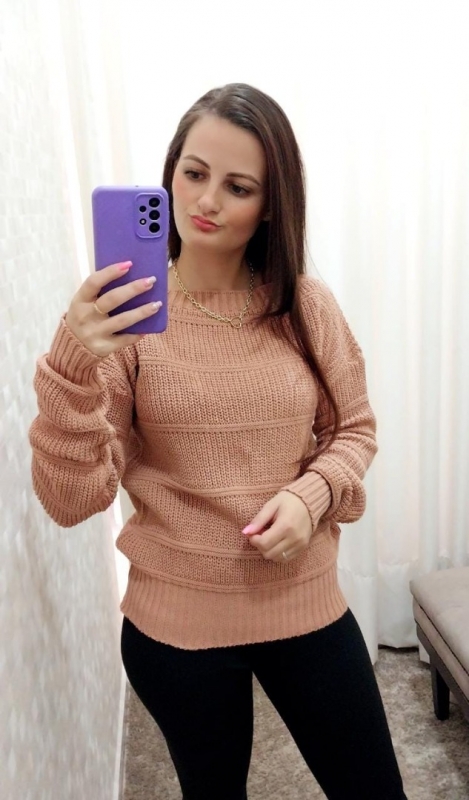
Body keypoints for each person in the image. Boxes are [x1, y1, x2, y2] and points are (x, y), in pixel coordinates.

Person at [29, 83, 407, 800]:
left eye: (237, 186)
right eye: (194, 172)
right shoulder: (123, 323)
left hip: (302, 602)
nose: (206, 201)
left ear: (270, 205)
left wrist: (311, 496)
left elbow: (353, 427)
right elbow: (71, 500)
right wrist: (72, 363)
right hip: (176, 629)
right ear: (169, 172)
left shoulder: (305, 305)